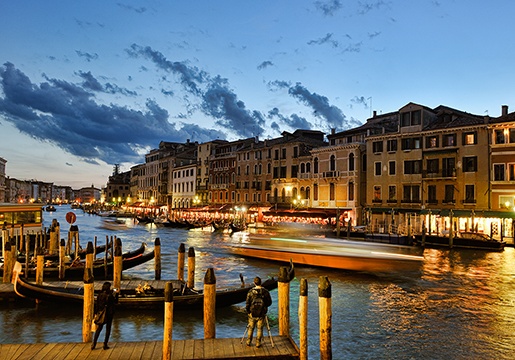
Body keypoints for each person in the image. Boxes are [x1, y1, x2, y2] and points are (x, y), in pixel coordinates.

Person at [245, 276, 272, 348]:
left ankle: (248, 341)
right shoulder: (265, 291)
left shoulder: (250, 292)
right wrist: (264, 307)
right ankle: (258, 343)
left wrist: (248, 311)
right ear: (261, 282)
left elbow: (247, 303)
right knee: (259, 328)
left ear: (254, 283)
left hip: (252, 313)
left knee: (251, 328)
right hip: (261, 313)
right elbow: (269, 302)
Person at [92, 282, 118, 350]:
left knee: (99, 329)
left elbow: (97, 305)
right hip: (109, 313)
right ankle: (105, 344)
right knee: (108, 329)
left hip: (101, 313)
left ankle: (94, 344)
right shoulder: (110, 295)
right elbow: (115, 302)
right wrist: (116, 293)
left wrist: (95, 313)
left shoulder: (99, 295)